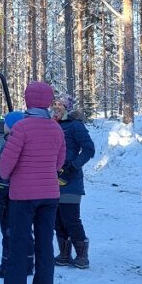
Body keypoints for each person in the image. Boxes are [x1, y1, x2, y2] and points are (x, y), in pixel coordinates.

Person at [0, 82, 65, 284]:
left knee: (18, 247)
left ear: (28, 100)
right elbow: (60, 163)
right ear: (48, 101)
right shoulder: (56, 129)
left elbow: (5, 166)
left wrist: (9, 176)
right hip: (50, 195)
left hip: (23, 196)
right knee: (45, 246)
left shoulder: (21, 128)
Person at [51, 96, 96, 269]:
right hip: (51, 178)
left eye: (60, 106)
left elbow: (89, 149)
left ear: (67, 108)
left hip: (71, 180)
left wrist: (74, 166)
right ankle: (64, 254)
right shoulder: (51, 124)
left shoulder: (75, 125)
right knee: (57, 219)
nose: (56, 109)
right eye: (54, 105)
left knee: (71, 218)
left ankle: (82, 255)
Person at [0, 111, 24, 279]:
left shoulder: (9, 145)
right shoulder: (25, 142)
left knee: (8, 232)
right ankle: (28, 264)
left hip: (9, 194)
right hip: (23, 194)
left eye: (6, 123)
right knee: (24, 232)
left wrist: (0, 193)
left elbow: (5, 172)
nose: (3, 125)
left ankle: (7, 265)